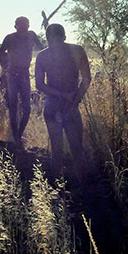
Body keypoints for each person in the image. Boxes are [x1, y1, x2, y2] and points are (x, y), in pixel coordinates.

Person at [35, 23, 91, 176]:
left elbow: (39, 85)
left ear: (47, 38)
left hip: (52, 104)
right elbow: (86, 79)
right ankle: (83, 187)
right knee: (76, 148)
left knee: (56, 148)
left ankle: (56, 188)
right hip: (70, 105)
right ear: (64, 36)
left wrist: (60, 95)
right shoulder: (77, 51)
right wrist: (74, 100)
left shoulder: (42, 55)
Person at [0, 16, 44, 145]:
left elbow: (44, 50)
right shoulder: (10, 38)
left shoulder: (31, 36)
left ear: (29, 26)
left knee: (27, 108)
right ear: (15, 26)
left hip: (25, 74)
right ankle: (16, 138)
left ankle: (18, 135)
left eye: (26, 25)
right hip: (12, 75)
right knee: (13, 107)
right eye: (21, 25)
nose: (24, 28)